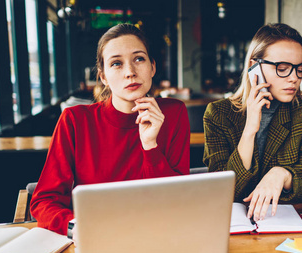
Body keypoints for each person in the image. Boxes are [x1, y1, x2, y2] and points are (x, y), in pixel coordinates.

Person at [31, 23, 190, 235]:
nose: (130, 72)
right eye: (116, 63)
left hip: (158, 233)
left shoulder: (173, 112)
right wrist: (79, 228)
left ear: (152, 67)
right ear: (103, 77)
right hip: (94, 236)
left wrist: (150, 145)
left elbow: (177, 200)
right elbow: (44, 200)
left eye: (139, 59)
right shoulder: (75, 120)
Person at [203, 23, 302, 222]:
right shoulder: (218, 114)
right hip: (232, 224)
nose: (294, 78)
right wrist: (250, 129)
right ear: (254, 66)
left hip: (283, 220)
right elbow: (222, 190)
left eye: (300, 69)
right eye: (283, 68)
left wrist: (282, 174)